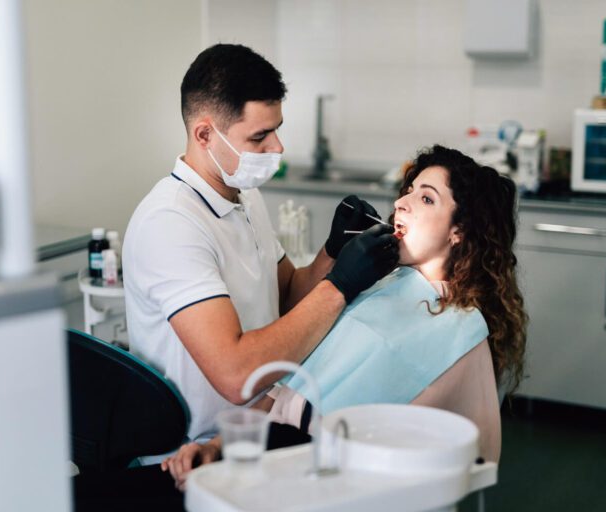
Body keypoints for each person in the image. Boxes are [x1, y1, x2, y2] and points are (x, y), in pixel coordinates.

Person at [162, 145, 528, 489]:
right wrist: (218, 445)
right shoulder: (377, 285)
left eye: (426, 198)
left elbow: (467, 457)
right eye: (409, 191)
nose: (401, 203)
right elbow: (287, 391)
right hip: (270, 457)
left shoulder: (461, 332)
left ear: (458, 232)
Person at [122, 43, 398, 457]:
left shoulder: (242, 195)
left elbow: (285, 293)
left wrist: (333, 250)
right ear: (204, 134)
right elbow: (236, 376)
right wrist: (339, 286)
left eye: (277, 129)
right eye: (259, 136)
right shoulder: (171, 223)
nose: (278, 148)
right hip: (194, 456)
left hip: (259, 428)